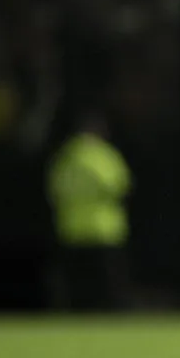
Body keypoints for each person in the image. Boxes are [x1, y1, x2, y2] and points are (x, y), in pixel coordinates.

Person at [46, 112, 133, 311]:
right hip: (104, 230)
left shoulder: (65, 158)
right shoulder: (104, 156)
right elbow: (120, 186)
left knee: (78, 288)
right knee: (110, 287)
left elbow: (53, 190)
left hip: (72, 230)